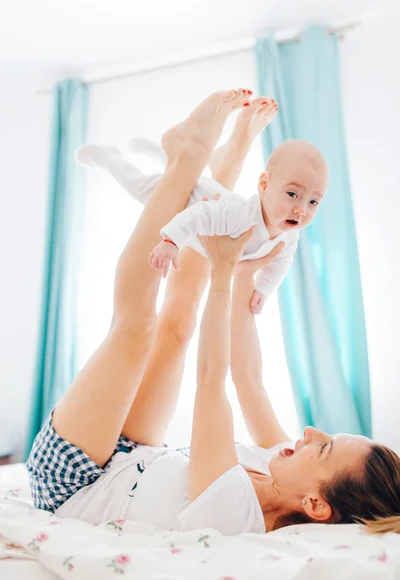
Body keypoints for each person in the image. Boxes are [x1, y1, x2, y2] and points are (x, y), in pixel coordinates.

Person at [27, 90, 400, 536]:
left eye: (323, 449)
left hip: (70, 483)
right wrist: (244, 275)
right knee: (179, 325)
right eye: (328, 437)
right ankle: (227, 151)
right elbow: (248, 377)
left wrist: (224, 274)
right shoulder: (285, 466)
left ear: (317, 506)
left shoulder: (234, 513)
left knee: (137, 328)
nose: (310, 431)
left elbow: (212, 380)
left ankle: (187, 155)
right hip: (134, 455)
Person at [76, 97, 329, 314]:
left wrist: (263, 289)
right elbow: (198, 214)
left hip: (202, 197)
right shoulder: (240, 216)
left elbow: (280, 265)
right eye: (293, 194)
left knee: (176, 171)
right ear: (264, 184)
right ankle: (109, 158)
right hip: (189, 198)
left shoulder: (290, 235)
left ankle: (161, 152)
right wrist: (171, 241)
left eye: (313, 201)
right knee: (140, 187)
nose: (301, 209)